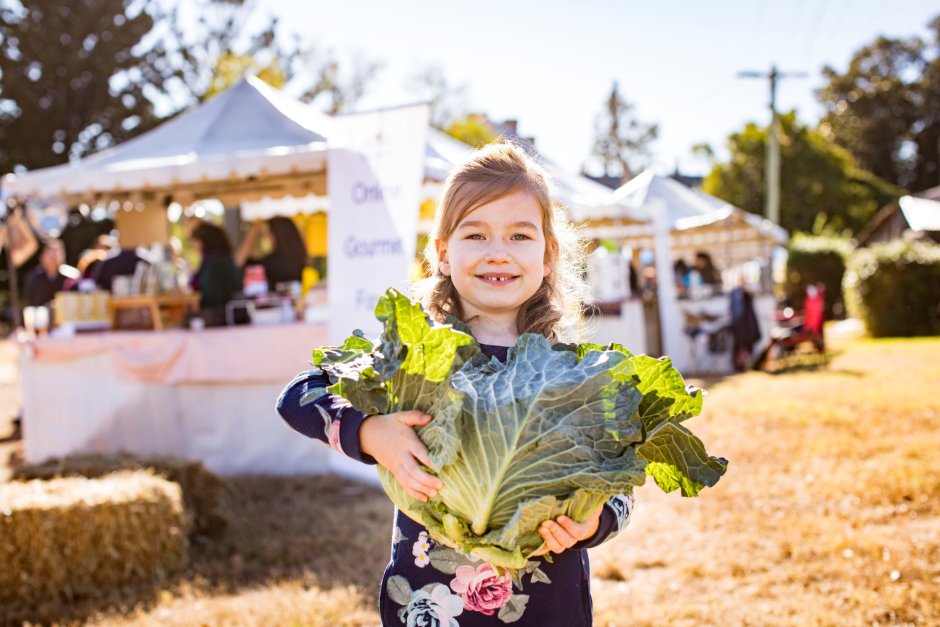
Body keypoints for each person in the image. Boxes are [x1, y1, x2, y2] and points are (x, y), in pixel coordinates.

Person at [277, 143, 634, 626]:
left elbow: (623, 478)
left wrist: (597, 520)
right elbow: (298, 394)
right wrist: (370, 432)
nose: (498, 253)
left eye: (520, 236)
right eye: (476, 234)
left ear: (549, 255)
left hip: (548, 607)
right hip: (433, 603)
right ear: (443, 253)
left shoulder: (575, 370)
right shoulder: (415, 353)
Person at [190, 221, 242, 326]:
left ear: (204, 242)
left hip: (218, 321)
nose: (194, 245)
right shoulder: (222, 260)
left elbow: (212, 297)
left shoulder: (214, 266)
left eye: (196, 241)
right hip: (227, 317)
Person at [234, 216, 307, 291]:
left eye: (269, 232)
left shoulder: (271, 263)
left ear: (278, 234)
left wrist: (253, 230)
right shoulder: (299, 259)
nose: (267, 236)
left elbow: (238, 262)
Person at [728, 277, 761, 371]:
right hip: (740, 328)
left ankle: (747, 364)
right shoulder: (735, 295)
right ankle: (741, 364)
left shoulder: (747, 296)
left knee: (746, 347)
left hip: (746, 328)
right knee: (741, 347)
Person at [24, 240, 67, 307]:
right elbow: (32, 303)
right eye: (50, 252)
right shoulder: (34, 277)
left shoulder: (70, 277)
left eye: (57, 252)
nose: (54, 256)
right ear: (42, 256)